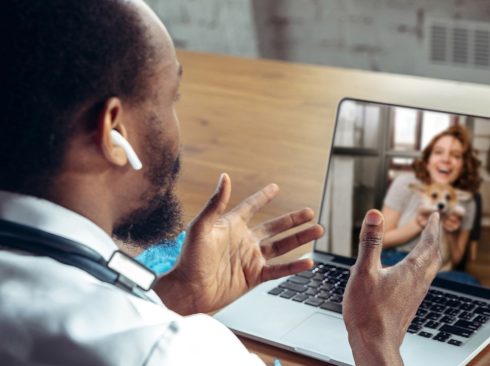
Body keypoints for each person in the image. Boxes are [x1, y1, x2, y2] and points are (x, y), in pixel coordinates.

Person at [0, 1, 442, 365]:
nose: (177, 126)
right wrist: (375, 341)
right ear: (114, 132)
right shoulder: (174, 351)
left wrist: (171, 295)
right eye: (171, 97)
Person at [382, 125, 481, 271]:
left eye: (456, 155)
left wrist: (452, 233)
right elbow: (379, 241)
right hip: (398, 257)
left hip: (439, 268)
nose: (446, 159)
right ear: (428, 161)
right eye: (438, 152)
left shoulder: (467, 202)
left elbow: (456, 259)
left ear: (464, 166)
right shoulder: (405, 183)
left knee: (471, 286)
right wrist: (418, 224)